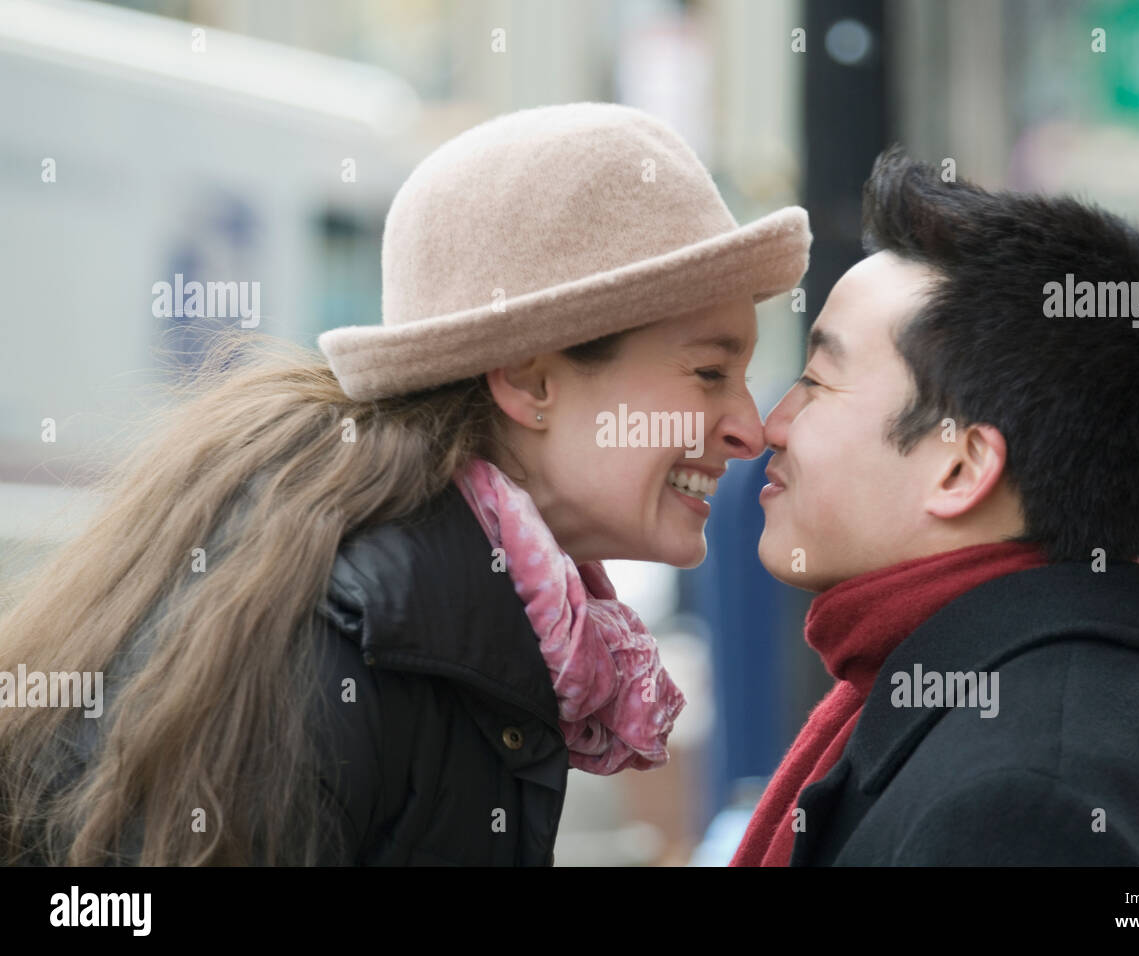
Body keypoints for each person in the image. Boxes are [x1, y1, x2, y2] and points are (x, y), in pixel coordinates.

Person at [0, 102, 811, 866]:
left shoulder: (441, 598)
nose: (751, 426)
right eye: (709, 372)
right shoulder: (349, 635)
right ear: (531, 384)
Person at [731, 146, 1139, 866]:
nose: (771, 423)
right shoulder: (1041, 722)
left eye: (815, 380)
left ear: (961, 466)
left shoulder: (1020, 807)